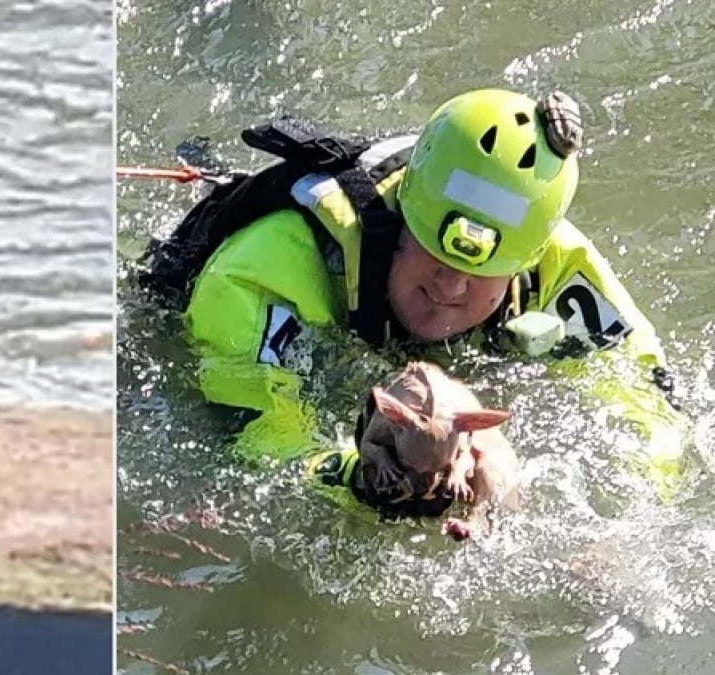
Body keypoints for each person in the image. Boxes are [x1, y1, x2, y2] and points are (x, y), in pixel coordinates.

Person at [139, 87, 687, 513]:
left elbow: (647, 394)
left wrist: (619, 521)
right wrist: (357, 479)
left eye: (481, 276)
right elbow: (260, 435)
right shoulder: (266, 269)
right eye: (433, 255)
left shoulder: (550, 254)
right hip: (182, 302)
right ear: (401, 220)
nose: (449, 290)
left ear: (525, 261)